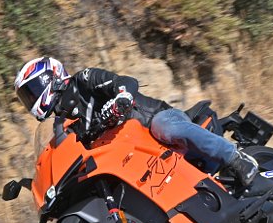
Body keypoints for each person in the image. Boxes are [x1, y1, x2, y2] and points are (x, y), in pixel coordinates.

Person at [13, 56, 260, 189]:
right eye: (28, 97)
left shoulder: (83, 80)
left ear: (51, 77)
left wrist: (122, 97)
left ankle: (236, 158)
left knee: (165, 128)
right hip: (132, 152)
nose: (32, 100)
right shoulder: (66, 124)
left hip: (151, 120)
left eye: (33, 91)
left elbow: (125, 81)